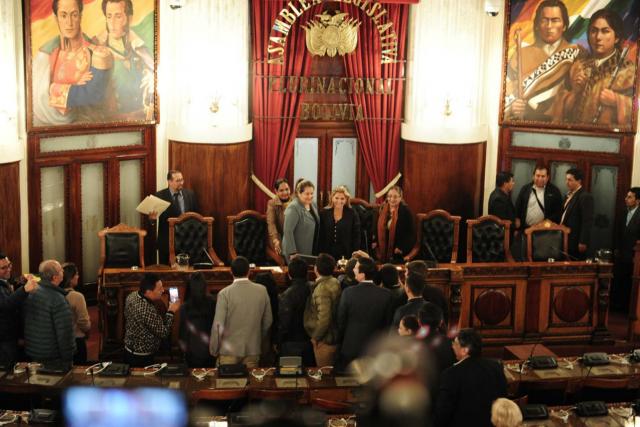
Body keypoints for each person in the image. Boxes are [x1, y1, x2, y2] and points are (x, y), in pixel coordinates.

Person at [32, 0, 113, 126]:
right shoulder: (44, 55)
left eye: (74, 15)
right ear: (56, 18)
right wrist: (74, 83)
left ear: (80, 16)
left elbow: (94, 95)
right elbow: (37, 101)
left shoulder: (97, 52)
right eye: (63, 15)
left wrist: (55, 88)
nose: (69, 23)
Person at [504, 0, 579, 122]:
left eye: (555, 20)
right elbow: (506, 90)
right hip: (525, 125)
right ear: (537, 25)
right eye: (544, 20)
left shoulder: (576, 54)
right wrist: (513, 106)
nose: (549, 26)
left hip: (560, 124)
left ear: (564, 26)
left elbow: (580, 95)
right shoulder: (521, 54)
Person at [561, 9, 635, 128]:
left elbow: (637, 110)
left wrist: (616, 100)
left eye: (605, 31)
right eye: (594, 31)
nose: (598, 37)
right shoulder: (578, 66)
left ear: (616, 37)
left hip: (608, 137)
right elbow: (559, 112)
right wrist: (575, 92)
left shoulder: (629, 71)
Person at [434, 328, 508, 427]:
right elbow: (503, 400)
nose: (452, 346)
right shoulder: (496, 367)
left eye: (455, 343)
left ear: (465, 350)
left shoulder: (450, 374)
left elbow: (442, 413)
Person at [95, 0, 155, 121]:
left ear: (129, 19)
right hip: (112, 121)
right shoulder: (98, 48)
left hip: (141, 118)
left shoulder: (139, 47)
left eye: (118, 16)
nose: (112, 23)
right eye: (109, 16)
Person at [209, 257, 272, 368]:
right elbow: (267, 322)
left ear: (231, 272)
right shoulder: (262, 291)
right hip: (253, 350)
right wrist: (259, 342)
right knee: (250, 379)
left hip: (228, 352)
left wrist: (214, 349)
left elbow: (218, 326)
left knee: (227, 379)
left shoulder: (224, 294)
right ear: (249, 271)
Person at [336, 257, 393, 369]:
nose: (353, 270)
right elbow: (388, 324)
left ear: (363, 274)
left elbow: (340, 321)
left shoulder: (348, 293)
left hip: (351, 347)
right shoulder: (386, 294)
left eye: (356, 268)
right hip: (375, 349)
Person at [24, 260, 75, 367]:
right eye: (61, 270)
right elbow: (64, 333)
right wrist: (68, 358)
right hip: (52, 356)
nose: (63, 272)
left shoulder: (32, 291)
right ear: (55, 277)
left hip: (33, 351)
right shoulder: (58, 299)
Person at [124, 273, 180, 367]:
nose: (163, 290)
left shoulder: (132, 295)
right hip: (141, 357)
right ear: (149, 292)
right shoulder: (146, 310)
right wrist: (171, 311)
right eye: (159, 289)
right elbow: (164, 333)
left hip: (129, 349)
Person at [148, 170, 199, 265]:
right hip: (167, 242)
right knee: (166, 271)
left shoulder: (190, 194)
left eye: (182, 180)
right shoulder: (159, 196)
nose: (181, 183)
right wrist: (152, 220)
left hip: (187, 241)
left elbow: (196, 216)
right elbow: (152, 220)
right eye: (178, 180)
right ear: (169, 182)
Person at [0, 253, 38, 366]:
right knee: (6, 369)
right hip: (4, 339)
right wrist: (24, 289)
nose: (8, 269)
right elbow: (5, 305)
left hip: (10, 336)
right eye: (3, 268)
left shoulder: (4, 280)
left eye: (9, 265)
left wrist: (21, 283)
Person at [304, 253, 342, 367]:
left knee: (324, 373)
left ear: (316, 268)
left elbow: (324, 318)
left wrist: (315, 337)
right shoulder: (335, 281)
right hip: (334, 336)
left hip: (325, 341)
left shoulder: (322, 289)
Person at [277, 257, 314, 366]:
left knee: (291, 373)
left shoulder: (286, 295)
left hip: (292, 343)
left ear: (289, 275)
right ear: (307, 273)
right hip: (312, 340)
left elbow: (284, 323)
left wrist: (277, 341)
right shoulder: (314, 288)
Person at [178, 272, 215, 367]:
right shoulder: (213, 303)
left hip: (192, 351)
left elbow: (183, 333)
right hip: (210, 349)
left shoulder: (185, 307)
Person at [612, 187, 640, 312]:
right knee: (619, 280)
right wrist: (616, 248)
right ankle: (617, 305)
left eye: (630, 197)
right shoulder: (623, 212)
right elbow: (617, 232)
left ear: (637, 201)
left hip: (634, 256)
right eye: (626, 196)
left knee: (629, 283)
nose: (626, 199)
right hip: (621, 254)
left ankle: (627, 309)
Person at [374, 186, 415, 263]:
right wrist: (375, 241)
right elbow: (375, 228)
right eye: (389, 196)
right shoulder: (382, 209)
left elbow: (410, 234)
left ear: (400, 198)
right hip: (381, 251)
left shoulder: (406, 211)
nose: (392, 199)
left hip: (397, 251)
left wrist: (401, 248)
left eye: (395, 197)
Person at [319, 186, 361, 261]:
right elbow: (321, 235)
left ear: (346, 200)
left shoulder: (352, 213)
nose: (339, 201)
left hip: (346, 253)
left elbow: (356, 235)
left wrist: (355, 254)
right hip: (327, 253)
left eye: (342, 199)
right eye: (336, 198)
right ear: (332, 198)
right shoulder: (324, 213)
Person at [282, 180, 320, 263]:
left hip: (310, 249)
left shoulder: (313, 204)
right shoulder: (293, 207)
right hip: (296, 253)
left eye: (312, 193)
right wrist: (292, 252)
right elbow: (288, 231)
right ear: (299, 193)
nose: (310, 196)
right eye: (307, 194)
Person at [560, 168, 594, 260]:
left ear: (579, 181)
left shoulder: (585, 196)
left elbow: (587, 221)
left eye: (570, 180)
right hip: (565, 238)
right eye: (566, 179)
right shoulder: (568, 195)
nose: (567, 182)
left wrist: (583, 241)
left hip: (576, 240)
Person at [61, 263, 91, 365]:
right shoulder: (77, 297)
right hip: (76, 340)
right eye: (76, 274)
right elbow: (84, 323)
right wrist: (87, 331)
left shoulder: (54, 294)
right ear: (70, 278)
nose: (78, 276)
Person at [407, 260, 448, 324]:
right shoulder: (437, 292)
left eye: (406, 272)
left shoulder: (406, 294)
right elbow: (445, 316)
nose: (405, 274)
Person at [266, 178, 292, 256]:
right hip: (279, 237)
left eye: (287, 189)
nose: (285, 192)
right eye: (281, 190)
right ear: (276, 191)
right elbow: (271, 223)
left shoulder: (295, 202)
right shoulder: (272, 203)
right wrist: (275, 240)